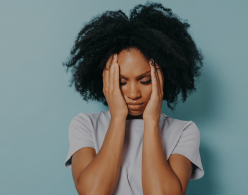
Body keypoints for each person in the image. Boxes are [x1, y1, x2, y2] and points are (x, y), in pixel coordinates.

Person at [62, 2, 204, 195]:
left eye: (145, 80)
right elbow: (93, 193)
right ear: (105, 81)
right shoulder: (85, 125)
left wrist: (152, 122)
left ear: (164, 78)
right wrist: (118, 117)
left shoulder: (184, 132)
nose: (133, 93)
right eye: (121, 82)